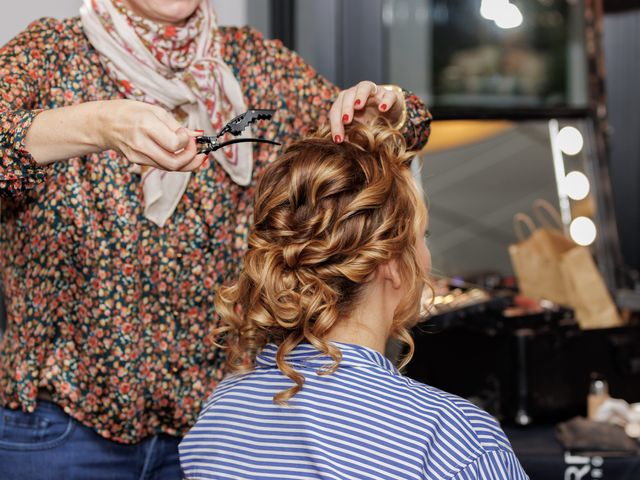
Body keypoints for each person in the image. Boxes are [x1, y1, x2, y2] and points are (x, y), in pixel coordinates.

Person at [0, 0, 432, 478]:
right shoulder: (51, 53)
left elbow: (397, 129)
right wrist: (97, 125)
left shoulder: (254, 64)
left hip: (218, 426)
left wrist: (383, 105)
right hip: (61, 423)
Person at [179, 122, 529, 480]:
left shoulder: (222, 412)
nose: (427, 258)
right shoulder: (451, 441)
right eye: (422, 236)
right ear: (390, 263)